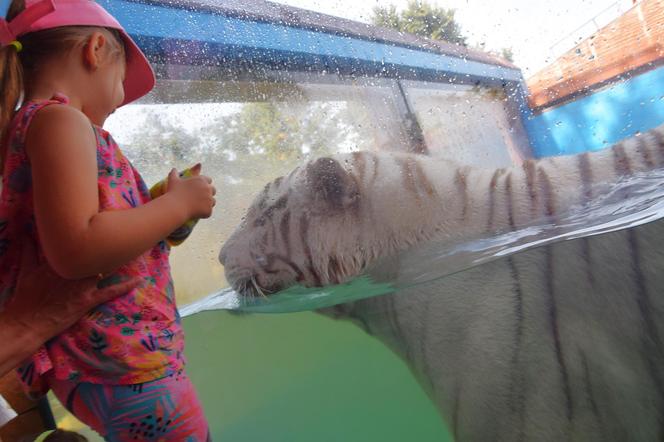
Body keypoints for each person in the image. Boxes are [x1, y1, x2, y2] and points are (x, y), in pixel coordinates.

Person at [0, 0, 216, 440]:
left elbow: (73, 234)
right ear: (95, 50)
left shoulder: (33, 129)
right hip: (123, 362)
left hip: (104, 365)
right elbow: (78, 249)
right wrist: (178, 206)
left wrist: (152, 211)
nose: (119, 102)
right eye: (121, 83)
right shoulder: (60, 120)